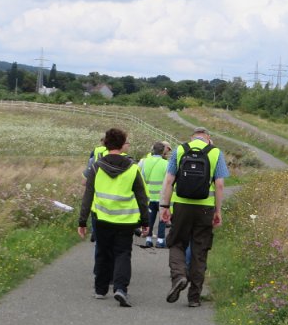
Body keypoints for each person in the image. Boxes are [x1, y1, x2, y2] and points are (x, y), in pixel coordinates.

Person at [78, 128, 149, 307]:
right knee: (123, 253)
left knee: (103, 252)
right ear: (122, 143)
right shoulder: (133, 168)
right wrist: (146, 221)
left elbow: (88, 195)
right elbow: (142, 197)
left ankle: (100, 290)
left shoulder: (96, 166)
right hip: (126, 221)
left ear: (105, 143)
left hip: (102, 219)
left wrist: (82, 220)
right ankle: (120, 289)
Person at [159, 127, 229, 307]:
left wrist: (165, 206)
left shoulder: (180, 150)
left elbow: (168, 181)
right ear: (208, 138)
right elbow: (220, 185)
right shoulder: (216, 153)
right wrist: (218, 211)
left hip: (181, 205)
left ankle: (179, 276)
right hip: (205, 208)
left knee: (176, 242)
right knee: (200, 249)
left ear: (192, 138)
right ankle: (194, 298)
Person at [137, 141, 171, 248]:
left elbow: (141, 178)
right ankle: (160, 241)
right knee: (162, 219)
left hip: (148, 196)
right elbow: (169, 181)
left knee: (150, 219)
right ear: (163, 151)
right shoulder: (166, 164)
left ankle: (148, 239)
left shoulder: (144, 162)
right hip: (162, 196)